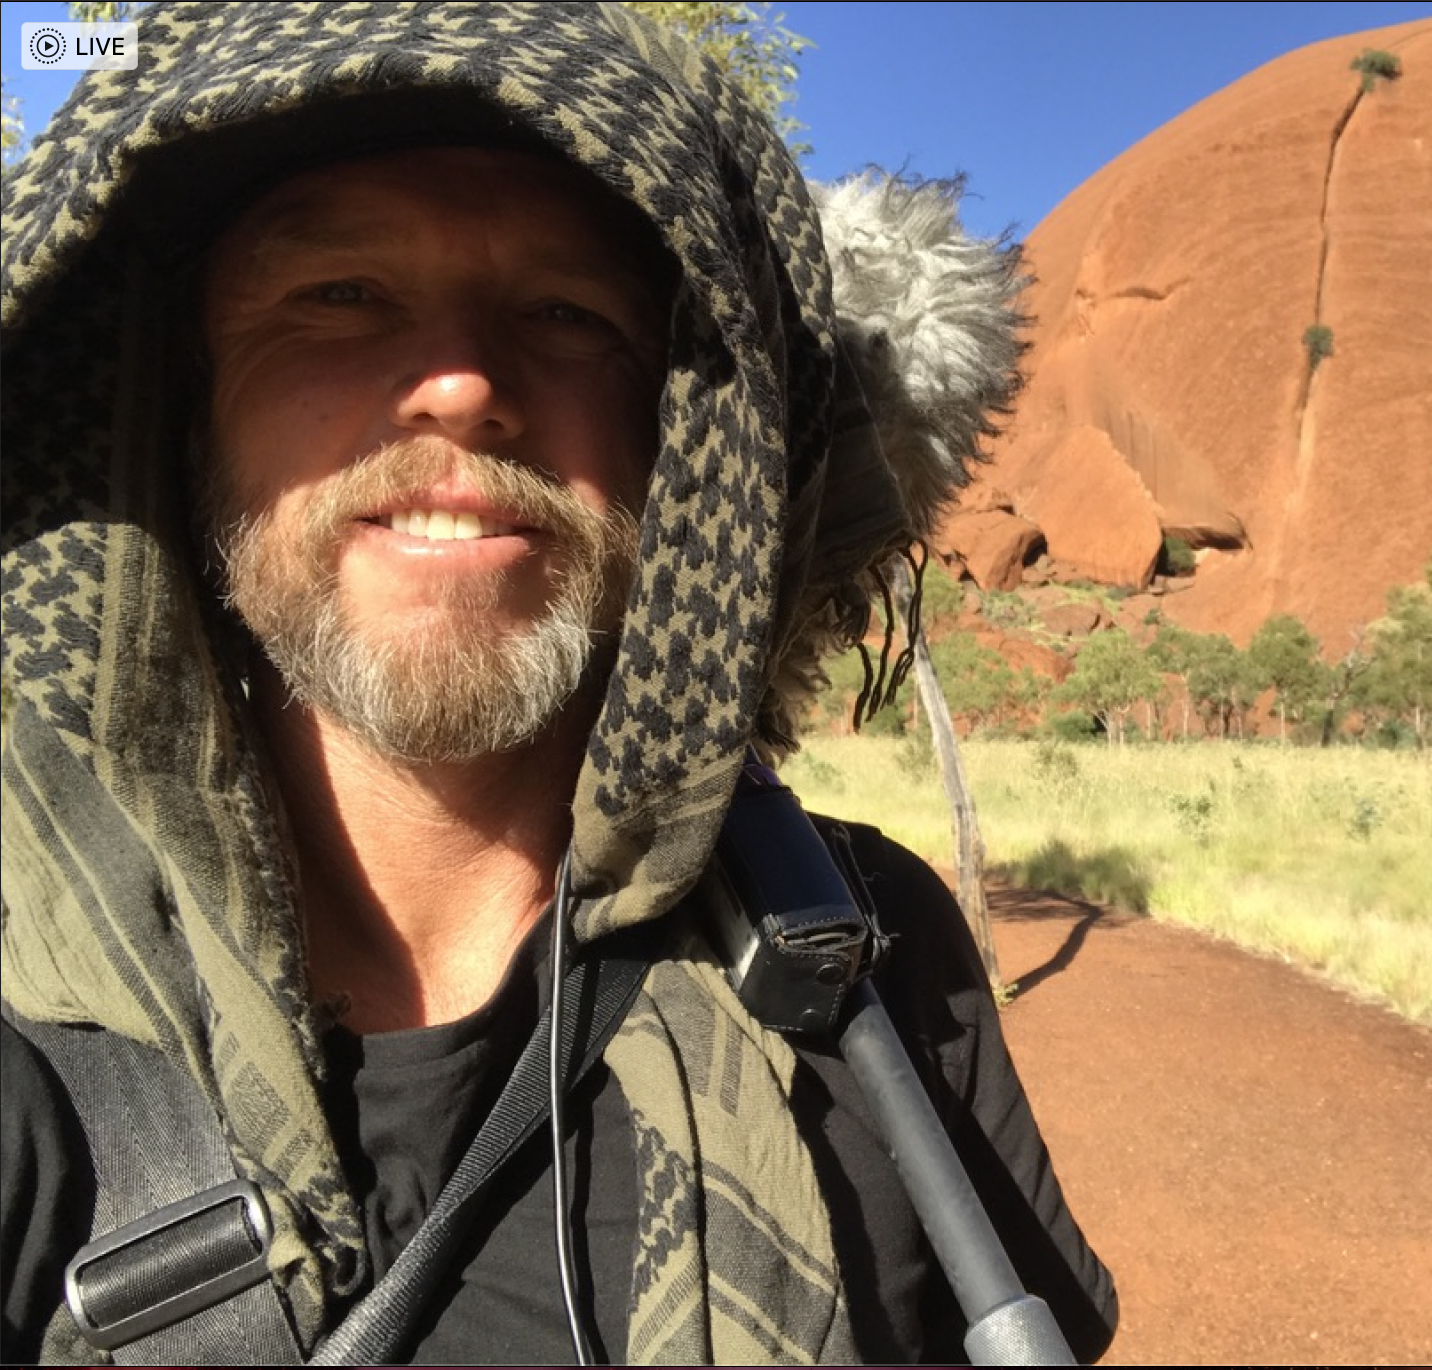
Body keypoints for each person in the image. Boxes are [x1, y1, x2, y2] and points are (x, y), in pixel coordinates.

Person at [1, 3, 1117, 1364]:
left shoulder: (873, 962)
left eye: (567, 311)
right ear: (182, 406)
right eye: (340, 292)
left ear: (682, 437)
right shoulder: (28, 1038)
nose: (462, 383)